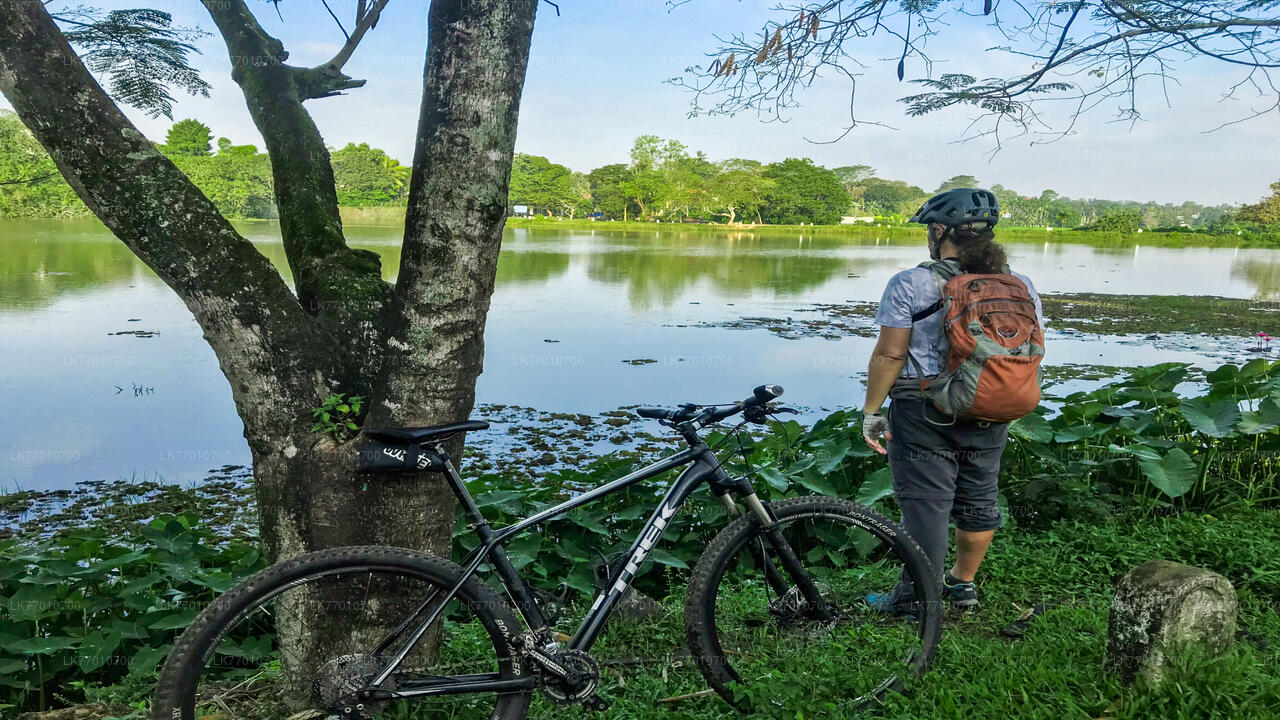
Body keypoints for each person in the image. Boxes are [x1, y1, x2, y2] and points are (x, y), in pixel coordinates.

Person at [861, 188, 1046, 614]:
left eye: (931, 228)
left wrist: (871, 411)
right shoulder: (1020, 285)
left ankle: (916, 598)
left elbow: (890, 354)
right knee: (979, 496)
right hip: (990, 401)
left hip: (922, 408)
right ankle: (962, 585)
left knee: (926, 504)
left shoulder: (911, 283)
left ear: (941, 231)